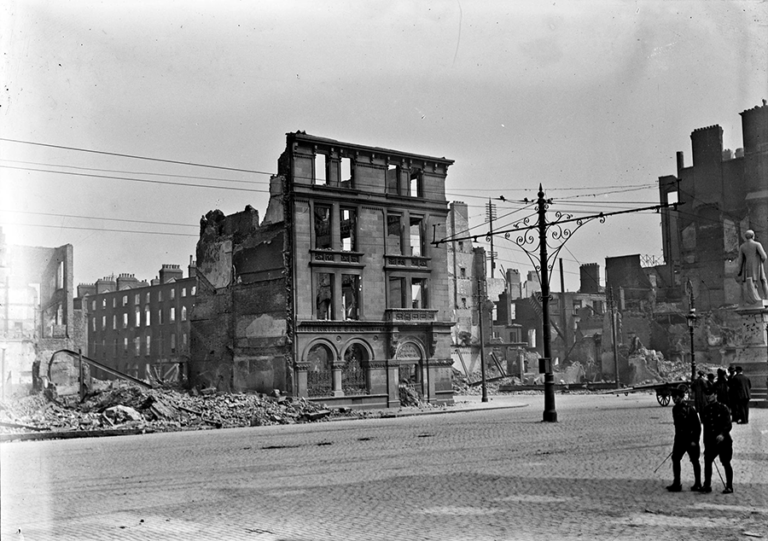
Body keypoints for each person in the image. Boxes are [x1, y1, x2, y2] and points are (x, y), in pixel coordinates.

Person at [699, 383, 733, 494]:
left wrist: (722, 434)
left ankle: (729, 486)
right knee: (708, 460)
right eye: (707, 395)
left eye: (711, 394)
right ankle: (707, 485)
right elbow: (706, 429)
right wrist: (705, 444)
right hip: (711, 442)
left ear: (715, 395)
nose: (709, 397)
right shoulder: (706, 409)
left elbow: (728, 424)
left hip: (723, 441)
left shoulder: (723, 408)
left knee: (726, 463)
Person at [666, 387, 701, 492]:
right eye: (673, 397)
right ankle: (677, 483)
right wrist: (676, 440)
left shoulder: (691, 409)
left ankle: (698, 483)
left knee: (695, 460)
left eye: (676, 397)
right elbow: (677, 426)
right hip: (680, 440)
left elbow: (697, 427)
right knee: (675, 459)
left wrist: (695, 440)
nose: (674, 399)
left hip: (690, 440)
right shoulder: (675, 409)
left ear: (681, 397)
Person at [735, 229, 768, 304]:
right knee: (763, 280)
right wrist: (760, 260)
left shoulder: (742, 247)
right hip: (757, 265)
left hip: (747, 266)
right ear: (753, 236)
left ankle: (753, 299)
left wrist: (739, 271)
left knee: (751, 282)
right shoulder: (757, 244)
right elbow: (764, 256)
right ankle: (767, 298)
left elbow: (740, 260)